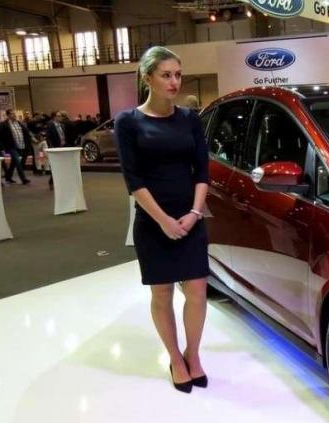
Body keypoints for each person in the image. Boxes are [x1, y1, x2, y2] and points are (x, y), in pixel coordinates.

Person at [114, 46, 209, 394]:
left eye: (178, 75)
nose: (174, 82)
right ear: (148, 77)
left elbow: (202, 172)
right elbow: (133, 180)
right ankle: (175, 358)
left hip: (191, 218)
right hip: (154, 223)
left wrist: (194, 213)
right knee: (163, 292)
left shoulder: (190, 119)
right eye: (166, 75)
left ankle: (193, 354)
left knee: (197, 291)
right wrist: (164, 221)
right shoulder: (128, 122)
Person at [0, 109, 31, 184]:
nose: (14, 115)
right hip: (11, 146)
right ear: (8, 115)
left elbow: (26, 132)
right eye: (12, 114)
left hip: (21, 145)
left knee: (14, 162)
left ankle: (8, 177)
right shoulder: (4, 124)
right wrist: (1, 146)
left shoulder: (19, 123)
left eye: (14, 113)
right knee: (18, 161)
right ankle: (23, 179)